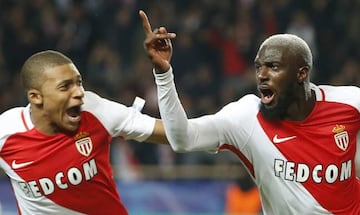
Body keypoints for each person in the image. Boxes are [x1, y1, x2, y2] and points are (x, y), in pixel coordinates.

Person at [139, 10, 360, 214]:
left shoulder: (348, 103)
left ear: (301, 74)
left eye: (273, 66)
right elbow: (182, 139)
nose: (262, 75)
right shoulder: (246, 118)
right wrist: (163, 74)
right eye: (258, 67)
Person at [0, 50, 168, 215]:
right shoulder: (6, 131)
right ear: (35, 97)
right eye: (65, 86)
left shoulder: (96, 112)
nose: (79, 93)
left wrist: (165, 75)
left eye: (79, 83)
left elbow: (176, 135)